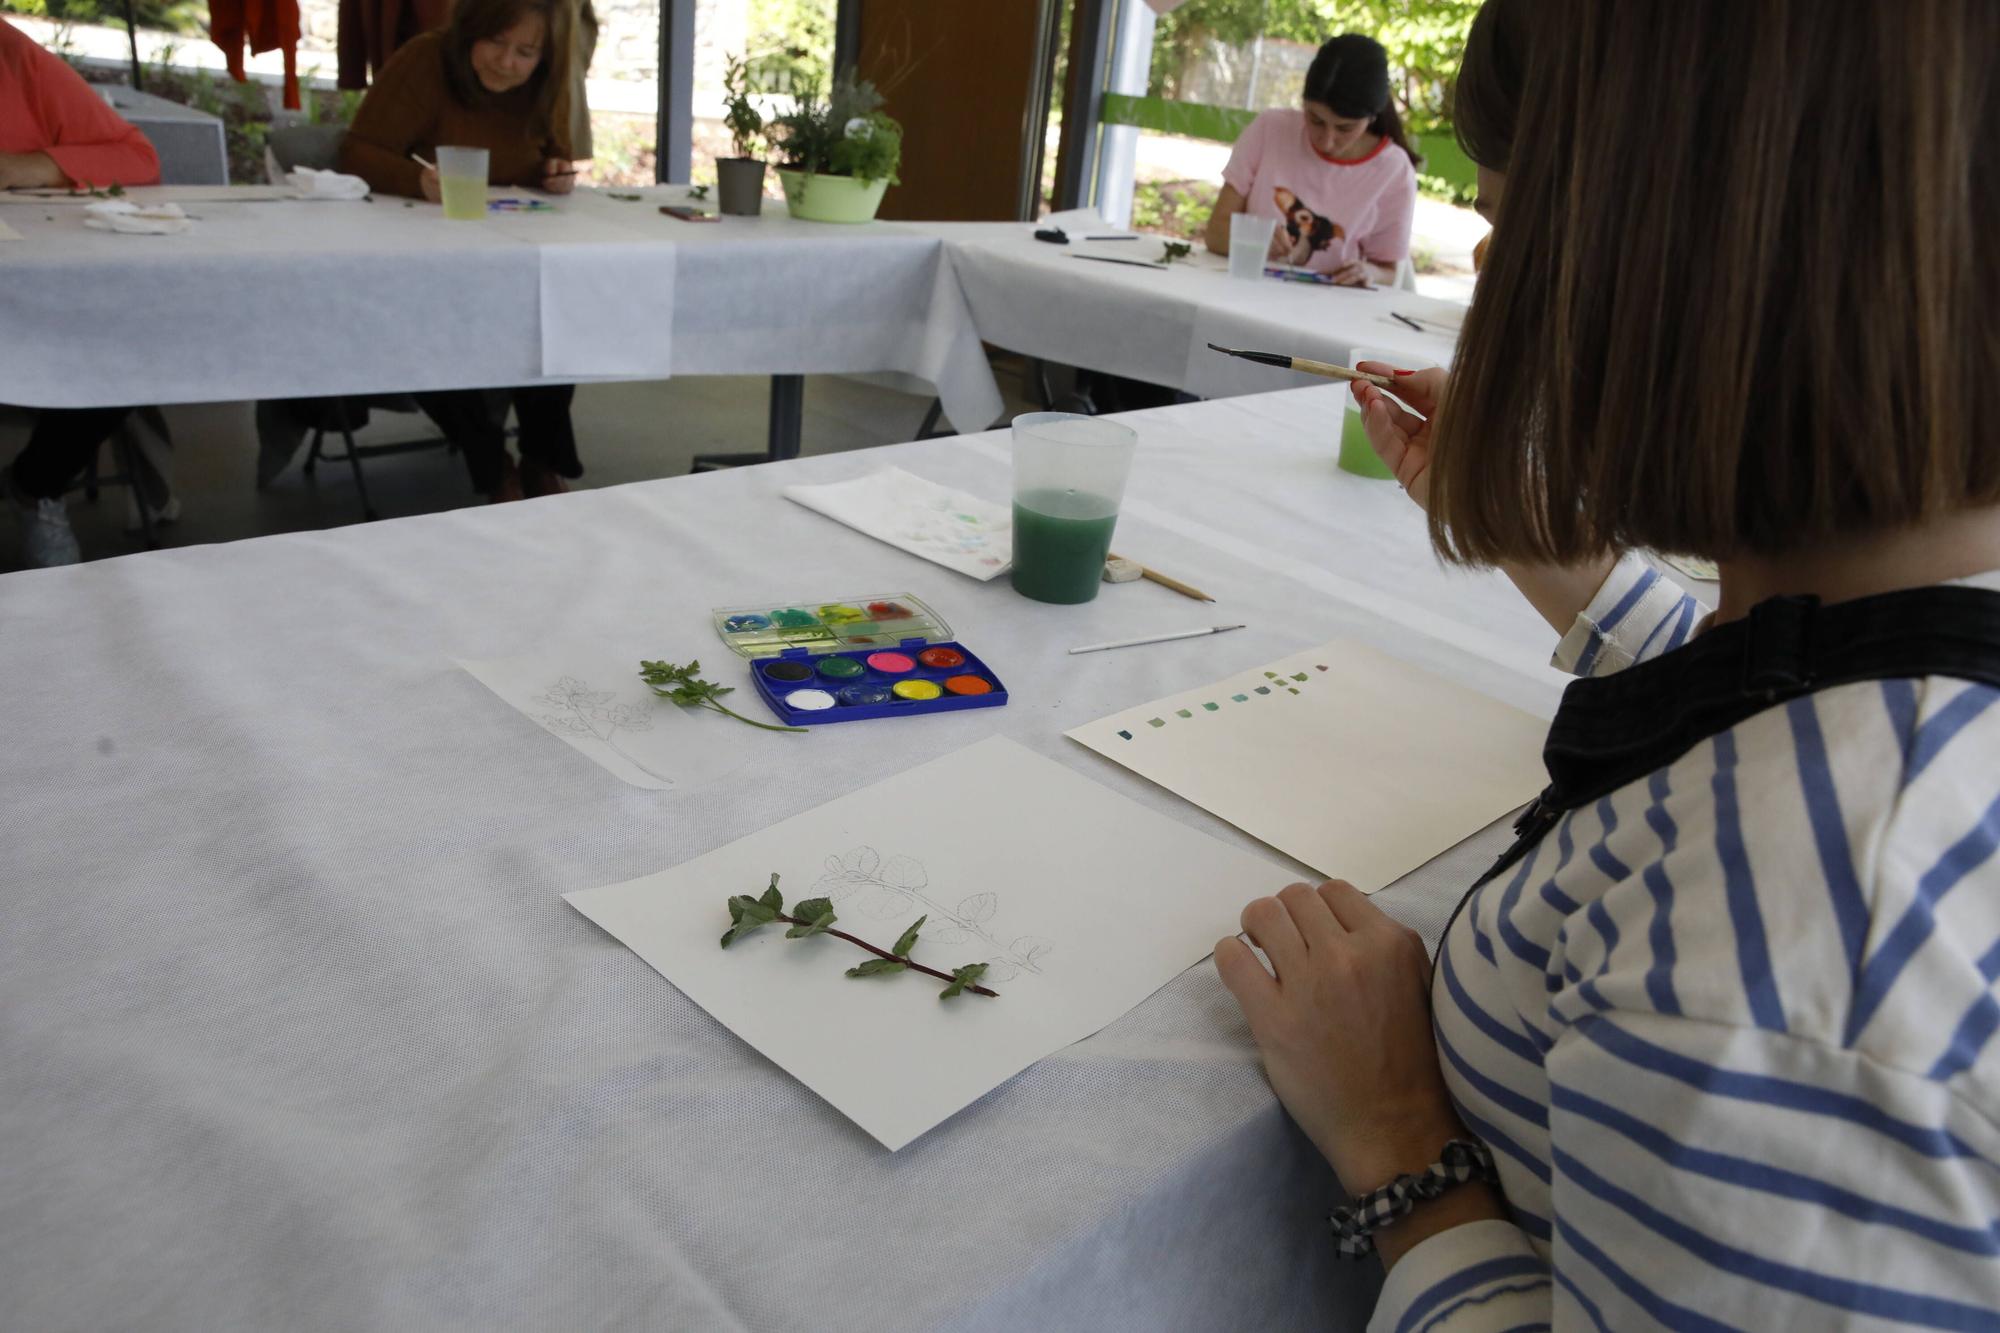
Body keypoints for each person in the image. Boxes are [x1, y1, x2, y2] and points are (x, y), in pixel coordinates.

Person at [1216, 0, 2000, 1327]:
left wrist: (1407, 1147)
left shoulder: (1795, 999)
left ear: (1671, 282)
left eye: (1508, 233)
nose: (1488, 269)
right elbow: (1802, 689)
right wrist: (1544, 540)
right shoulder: (1916, 645)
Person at [338, 0, 585, 501]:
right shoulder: (426, 60)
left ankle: (543, 457)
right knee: (431, 328)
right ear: (471, 31)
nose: (506, 62)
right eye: (495, 42)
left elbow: (548, 154)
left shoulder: (546, 81)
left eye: (525, 52)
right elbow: (356, 152)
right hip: (423, 255)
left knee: (557, 308)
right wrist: (418, 181)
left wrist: (554, 175)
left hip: (509, 250)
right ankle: (492, 464)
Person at [1, 16, 163, 567]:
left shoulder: (13, 57)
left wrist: (26, 167)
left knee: (136, 330)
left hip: (34, 285)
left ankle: (36, 482)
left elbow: (137, 157)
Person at [1203, 34, 1418, 286]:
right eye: (1315, 120)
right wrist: (1254, 239)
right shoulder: (1270, 129)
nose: (1326, 141)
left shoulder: (1393, 170)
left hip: (1328, 311)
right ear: (1302, 103)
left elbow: (1390, 272)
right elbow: (1215, 233)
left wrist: (1368, 273)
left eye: (1345, 129)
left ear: (1371, 117)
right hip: (1247, 294)